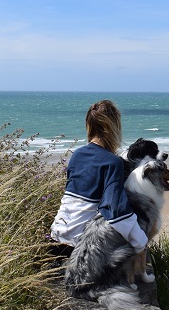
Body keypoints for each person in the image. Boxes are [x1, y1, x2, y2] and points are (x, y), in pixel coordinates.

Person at [49, 100, 148, 258]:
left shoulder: (77, 155)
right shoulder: (112, 162)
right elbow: (117, 212)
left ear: (89, 125)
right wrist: (141, 242)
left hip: (56, 237)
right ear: (113, 126)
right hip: (80, 247)